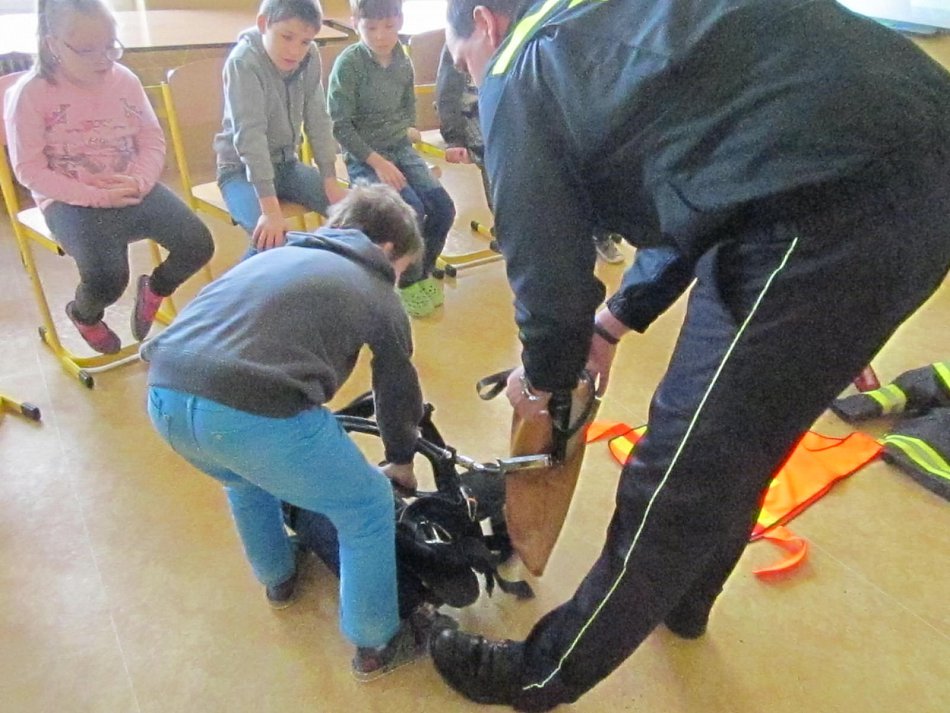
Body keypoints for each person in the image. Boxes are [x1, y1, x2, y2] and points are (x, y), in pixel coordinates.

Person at [432, 0, 950, 710]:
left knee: (678, 468)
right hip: (908, 163)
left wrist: (549, 382)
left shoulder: (519, 63)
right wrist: (611, 324)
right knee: (742, 435)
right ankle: (684, 596)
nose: (471, 77)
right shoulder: (606, 20)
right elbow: (702, 175)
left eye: (461, 59)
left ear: (485, 24)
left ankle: (540, 675)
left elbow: (547, 278)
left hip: (829, 202)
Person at [142, 183, 452, 681]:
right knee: (367, 506)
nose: (397, 280)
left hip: (165, 396)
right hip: (253, 414)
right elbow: (397, 390)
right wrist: (400, 459)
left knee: (244, 479)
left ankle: (278, 576)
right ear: (387, 248)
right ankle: (377, 641)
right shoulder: (376, 290)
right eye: (402, 269)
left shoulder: (271, 254)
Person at [5, 0, 214, 354]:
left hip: (130, 186)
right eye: (88, 50)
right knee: (108, 277)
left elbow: (151, 140)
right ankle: (84, 314)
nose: (104, 59)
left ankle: (155, 289)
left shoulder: (124, 80)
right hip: (70, 200)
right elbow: (29, 170)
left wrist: (140, 180)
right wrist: (97, 196)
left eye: (110, 46)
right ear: (53, 45)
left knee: (198, 244)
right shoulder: (30, 93)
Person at [435, 44, 625, 265]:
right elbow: (447, 94)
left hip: (521, 107)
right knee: (499, 164)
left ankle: (592, 231)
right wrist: (455, 139)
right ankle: (513, 232)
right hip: (477, 114)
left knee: (565, 158)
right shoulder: (458, 39)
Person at [327, 0, 456, 318]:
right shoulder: (349, 64)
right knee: (411, 211)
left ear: (399, 20)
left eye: (388, 26)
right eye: (370, 28)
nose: (380, 36)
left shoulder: (402, 59)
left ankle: (421, 270)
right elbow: (341, 127)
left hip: (400, 148)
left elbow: (407, 105)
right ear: (356, 23)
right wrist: (378, 162)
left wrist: (408, 134)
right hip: (365, 157)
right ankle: (408, 281)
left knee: (443, 208)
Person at [213, 0, 348, 257]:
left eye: (305, 41)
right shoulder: (244, 62)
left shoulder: (310, 56)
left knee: (353, 216)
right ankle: (240, 284)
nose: (295, 50)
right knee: (271, 242)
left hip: (286, 165)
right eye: (286, 37)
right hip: (239, 171)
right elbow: (250, 137)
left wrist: (330, 180)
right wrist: (270, 209)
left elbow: (318, 119)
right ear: (264, 24)